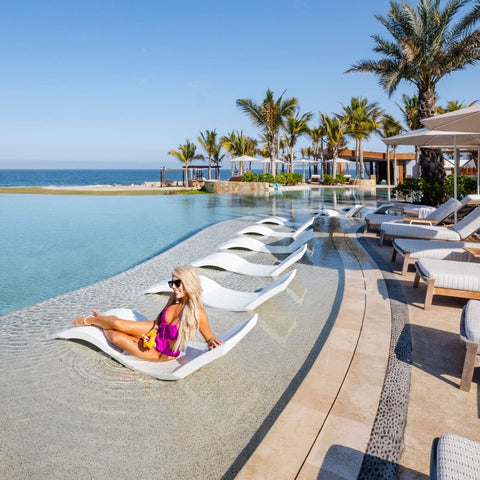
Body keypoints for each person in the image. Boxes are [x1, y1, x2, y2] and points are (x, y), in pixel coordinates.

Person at [72, 265, 223, 361]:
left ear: (189, 284)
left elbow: (209, 337)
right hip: (154, 332)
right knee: (117, 323)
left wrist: (211, 342)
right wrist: (154, 331)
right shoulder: (174, 298)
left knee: (115, 336)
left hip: (162, 352)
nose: (173, 287)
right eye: (172, 283)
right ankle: (90, 320)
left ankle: (101, 320)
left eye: (177, 283)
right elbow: (159, 317)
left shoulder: (197, 313)